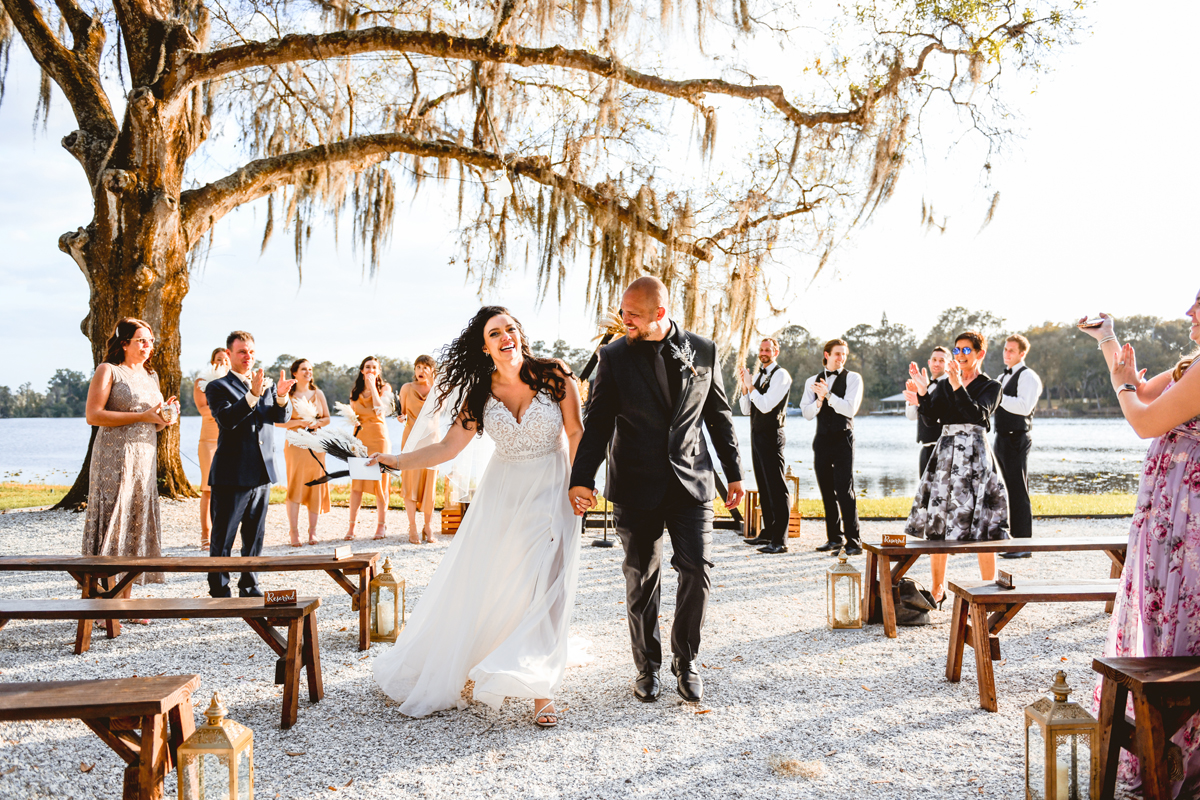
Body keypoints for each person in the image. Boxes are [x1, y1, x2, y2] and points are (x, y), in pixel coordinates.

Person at [368, 306, 586, 727]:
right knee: (508, 578)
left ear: (519, 334)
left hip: (554, 486)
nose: (505, 336)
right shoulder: (480, 393)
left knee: (550, 581)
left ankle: (541, 688)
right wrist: (397, 459)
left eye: (510, 329)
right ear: (485, 347)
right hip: (504, 493)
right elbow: (448, 448)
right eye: (494, 333)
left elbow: (576, 432)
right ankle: (502, 652)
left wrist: (580, 484)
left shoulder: (555, 375)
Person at [569, 276, 745, 705]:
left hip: (692, 481)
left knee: (697, 573)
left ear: (659, 314)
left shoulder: (702, 350)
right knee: (642, 578)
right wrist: (581, 477)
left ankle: (686, 661)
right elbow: (597, 423)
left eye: (633, 314)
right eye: (623, 311)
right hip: (635, 482)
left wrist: (735, 472)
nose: (623, 320)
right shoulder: (612, 356)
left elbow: (718, 414)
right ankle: (646, 666)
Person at [1082, 295, 1200, 795]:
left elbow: (1143, 420)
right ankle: (1162, 742)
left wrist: (1122, 383)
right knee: (1159, 612)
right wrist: (1108, 340)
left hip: (1187, 511)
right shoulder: (1189, 365)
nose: (1191, 314)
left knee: (1184, 615)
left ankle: (1180, 748)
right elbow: (1140, 391)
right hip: (1166, 509)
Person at [903, 331, 1008, 606]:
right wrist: (924, 392)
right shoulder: (947, 384)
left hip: (974, 456)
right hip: (946, 454)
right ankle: (938, 591)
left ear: (980, 354)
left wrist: (956, 384)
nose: (960, 356)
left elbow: (976, 415)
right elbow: (933, 418)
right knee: (939, 521)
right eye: (957, 351)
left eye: (966, 351)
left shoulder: (992, 385)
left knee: (982, 525)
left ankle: (988, 592)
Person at [82, 318, 178, 616]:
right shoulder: (108, 370)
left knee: (136, 521)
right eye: (142, 341)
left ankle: (126, 600)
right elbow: (94, 415)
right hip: (113, 456)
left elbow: (153, 422)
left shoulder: (152, 376)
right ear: (124, 343)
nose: (148, 347)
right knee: (113, 520)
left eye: (150, 341)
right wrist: (142, 416)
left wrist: (164, 418)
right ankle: (101, 606)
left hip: (144, 458)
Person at [205, 331, 294, 598]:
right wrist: (253, 394)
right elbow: (227, 420)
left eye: (251, 352)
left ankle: (250, 585)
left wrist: (279, 396)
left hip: (261, 473)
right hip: (231, 474)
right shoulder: (217, 387)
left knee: (255, 537)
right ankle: (219, 590)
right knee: (223, 538)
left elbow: (279, 417)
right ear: (229, 354)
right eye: (242, 351)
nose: (248, 356)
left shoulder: (264, 384)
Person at [801, 339, 864, 556]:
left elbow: (849, 409)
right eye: (837, 354)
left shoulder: (853, 378)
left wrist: (827, 395)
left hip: (843, 439)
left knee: (844, 490)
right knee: (826, 490)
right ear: (826, 355)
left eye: (844, 354)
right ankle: (834, 538)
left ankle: (854, 542)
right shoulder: (812, 380)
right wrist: (818, 401)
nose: (841, 358)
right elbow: (807, 413)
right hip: (821, 440)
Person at [737, 337, 793, 554]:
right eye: (761, 349)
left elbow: (767, 405)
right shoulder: (759, 375)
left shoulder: (781, 375)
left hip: (772, 435)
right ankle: (768, 532)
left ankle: (781, 539)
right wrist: (745, 386)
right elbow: (746, 409)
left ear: (776, 352)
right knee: (764, 485)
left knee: (777, 487)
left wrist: (751, 386)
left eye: (768, 349)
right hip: (757, 435)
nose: (764, 352)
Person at [994, 334, 1043, 560]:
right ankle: (1011, 539)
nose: (1007, 353)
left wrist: (998, 396)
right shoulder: (1001, 377)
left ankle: (1023, 544)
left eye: (1012, 350)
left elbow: (1024, 407)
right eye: (1005, 349)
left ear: (1022, 353)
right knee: (1005, 491)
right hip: (1001, 438)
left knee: (1018, 490)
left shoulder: (1028, 376)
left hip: (1017, 439)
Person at [276, 358, 331, 546]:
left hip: (316, 445)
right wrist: (299, 423)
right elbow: (278, 422)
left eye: (310, 369)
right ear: (295, 373)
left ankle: (313, 531)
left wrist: (316, 423)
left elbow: (327, 419)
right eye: (303, 369)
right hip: (295, 446)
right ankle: (294, 532)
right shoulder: (287, 396)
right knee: (295, 485)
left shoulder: (318, 393)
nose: (308, 372)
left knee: (315, 486)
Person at [347, 356, 391, 541]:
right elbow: (352, 414)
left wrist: (373, 385)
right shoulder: (355, 391)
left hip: (379, 438)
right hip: (360, 439)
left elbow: (380, 409)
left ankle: (381, 526)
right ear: (362, 370)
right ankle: (351, 527)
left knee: (380, 483)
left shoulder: (385, 389)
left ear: (378, 371)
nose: (371, 369)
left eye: (374, 367)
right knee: (356, 485)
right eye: (368, 367)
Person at [398, 355, 439, 544]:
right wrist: (400, 417)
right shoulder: (406, 388)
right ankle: (412, 527)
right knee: (410, 484)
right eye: (418, 367)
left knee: (429, 487)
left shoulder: (438, 390)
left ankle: (428, 526)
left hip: (432, 443)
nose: (421, 371)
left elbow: (442, 412)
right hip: (411, 443)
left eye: (425, 367)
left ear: (432, 370)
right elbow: (403, 412)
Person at [194, 347, 230, 549]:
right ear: (212, 362)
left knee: (228, 490)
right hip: (209, 441)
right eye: (218, 359)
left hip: (229, 439)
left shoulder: (234, 381)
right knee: (208, 489)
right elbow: (204, 410)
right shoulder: (202, 382)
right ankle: (205, 535)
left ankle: (223, 533)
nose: (222, 363)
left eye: (226, 359)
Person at [904, 346, 949, 478]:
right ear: (929, 362)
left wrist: (921, 401)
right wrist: (913, 397)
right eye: (934, 360)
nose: (937, 363)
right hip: (926, 448)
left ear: (948, 364)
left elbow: (942, 414)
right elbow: (912, 416)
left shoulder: (951, 386)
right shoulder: (925, 387)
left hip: (944, 448)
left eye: (941, 360)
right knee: (924, 493)